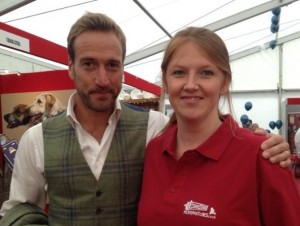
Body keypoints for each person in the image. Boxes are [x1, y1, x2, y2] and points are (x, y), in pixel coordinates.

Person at [0, 13, 292, 226]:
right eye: (89, 64)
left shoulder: (152, 130)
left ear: (123, 70)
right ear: (71, 68)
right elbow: (18, 211)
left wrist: (262, 143)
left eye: (112, 65)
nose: (102, 78)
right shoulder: (36, 140)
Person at [137, 27, 300, 226]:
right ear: (166, 81)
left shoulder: (264, 156)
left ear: (225, 83)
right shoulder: (154, 151)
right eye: (179, 73)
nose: (190, 85)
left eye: (206, 73)